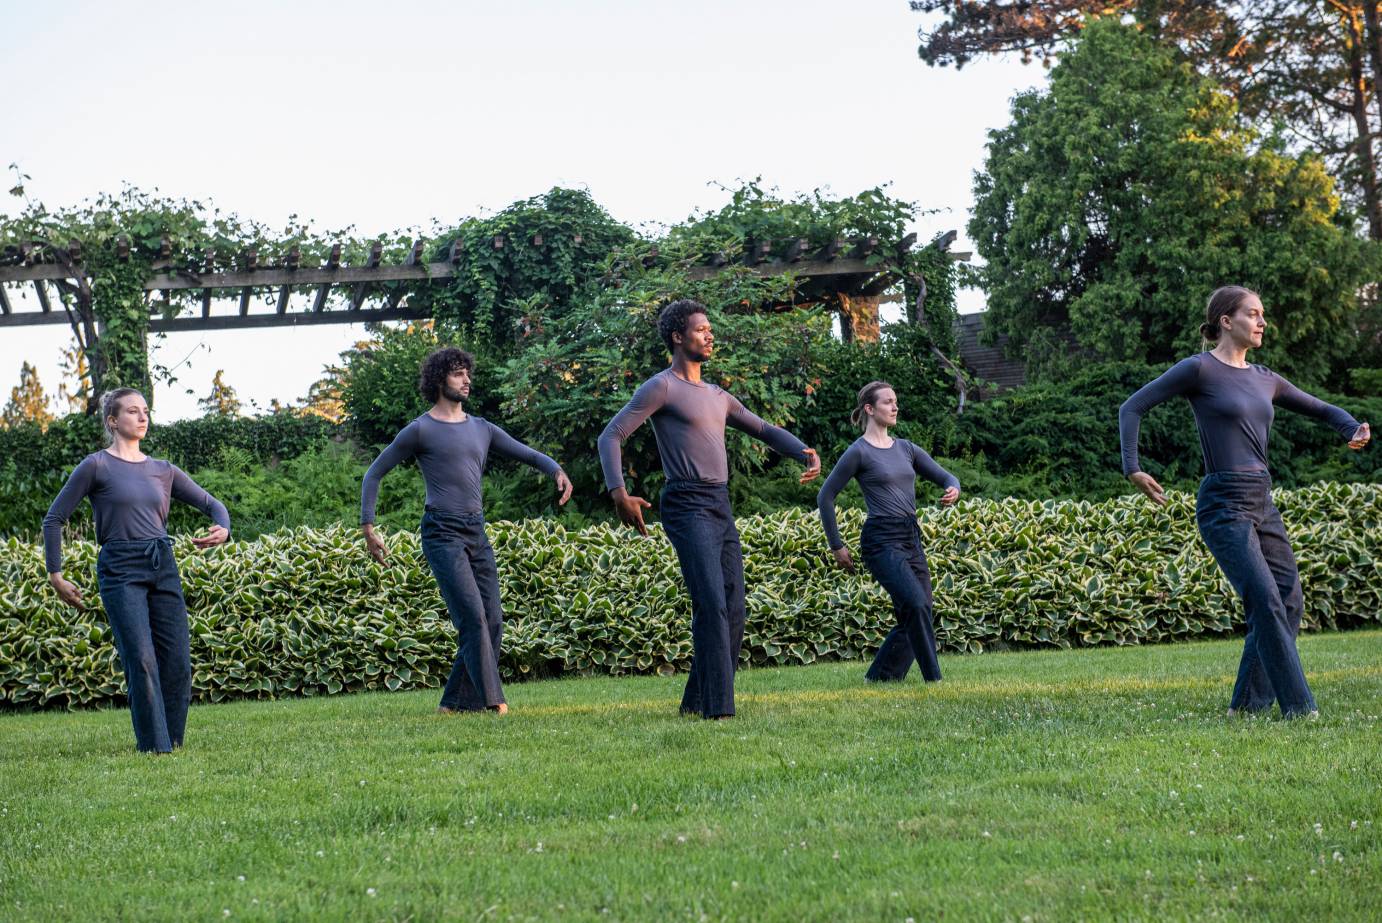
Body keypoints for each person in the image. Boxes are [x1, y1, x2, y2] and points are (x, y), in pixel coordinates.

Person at [1119, 286, 1370, 718]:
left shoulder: (1265, 379)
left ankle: (1248, 707)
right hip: (1223, 503)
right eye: (1253, 314)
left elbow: (1322, 409)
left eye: (1262, 315)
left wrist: (1351, 427)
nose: (1262, 322)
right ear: (1226, 321)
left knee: (1289, 599)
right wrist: (1133, 467)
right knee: (1265, 601)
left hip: (1262, 500)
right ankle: (1299, 707)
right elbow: (1133, 406)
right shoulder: (1198, 370)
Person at [598, 299, 821, 719]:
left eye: (710, 329)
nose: (710, 335)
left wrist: (802, 452)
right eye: (702, 329)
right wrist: (619, 493)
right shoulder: (661, 387)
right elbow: (611, 436)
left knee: (734, 605)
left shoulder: (718, 395)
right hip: (685, 502)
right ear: (678, 337)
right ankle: (718, 710)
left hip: (719, 503)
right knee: (712, 604)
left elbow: (763, 428)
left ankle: (696, 701)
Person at [361, 347, 572, 716]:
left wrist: (556, 470)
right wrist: (368, 526)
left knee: (491, 620)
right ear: (441, 379)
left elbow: (528, 455)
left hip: (476, 531)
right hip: (441, 533)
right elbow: (374, 473)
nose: (467, 380)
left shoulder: (483, 428)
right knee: (472, 619)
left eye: (467, 373)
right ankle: (496, 703)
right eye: (458, 373)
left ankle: (453, 704)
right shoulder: (420, 429)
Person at [44, 388, 231, 753]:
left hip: (162, 564)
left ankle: (172, 743)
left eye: (145, 411)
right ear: (113, 421)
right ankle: (154, 747)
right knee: (142, 660)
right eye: (132, 411)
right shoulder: (96, 465)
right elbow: (54, 519)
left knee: (177, 663)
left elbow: (213, 504)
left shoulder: (163, 470)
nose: (142, 417)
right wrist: (56, 574)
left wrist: (222, 528)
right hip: (120, 569)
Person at [816, 381, 960, 683]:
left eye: (896, 401)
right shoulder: (858, 452)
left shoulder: (907, 448)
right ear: (870, 409)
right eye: (888, 402)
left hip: (910, 536)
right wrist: (836, 545)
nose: (895, 407)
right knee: (916, 605)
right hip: (881, 540)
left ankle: (881, 677)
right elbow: (825, 496)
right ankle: (934, 679)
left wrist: (953, 488)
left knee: (919, 610)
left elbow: (946, 475)